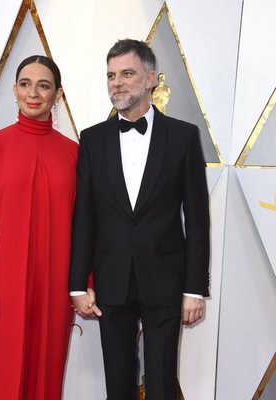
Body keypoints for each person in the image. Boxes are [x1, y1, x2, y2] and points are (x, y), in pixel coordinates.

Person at [69, 39, 210, 400]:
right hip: (111, 277)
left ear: (149, 79)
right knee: (117, 383)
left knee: (162, 382)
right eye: (111, 75)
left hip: (165, 278)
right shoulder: (92, 139)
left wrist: (194, 288)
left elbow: (197, 218)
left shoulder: (183, 136)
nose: (116, 83)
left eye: (126, 74)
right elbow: (84, 216)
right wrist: (77, 285)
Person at [0, 55, 78, 399]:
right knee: (4, 375)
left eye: (44, 86)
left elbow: (85, 225)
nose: (34, 93)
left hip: (55, 288)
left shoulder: (74, 154)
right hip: (3, 288)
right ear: (14, 90)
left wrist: (83, 284)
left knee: (46, 374)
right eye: (26, 84)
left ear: (57, 94)